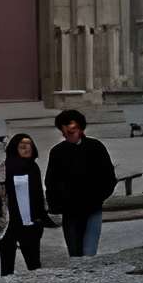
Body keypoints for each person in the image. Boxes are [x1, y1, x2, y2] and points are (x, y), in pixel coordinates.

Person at [44, 108, 118, 258]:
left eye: (71, 132)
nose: (68, 136)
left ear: (80, 128)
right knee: (75, 253)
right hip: (70, 212)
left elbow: (109, 177)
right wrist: (56, 205)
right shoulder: (57, 152)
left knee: (89, 253)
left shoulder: (95, 147)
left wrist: (98, 197)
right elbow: (51, 182)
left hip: (92, 209)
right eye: (64, 133)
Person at [0, 133, 51, 275]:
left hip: (30, 224)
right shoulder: (5, 168)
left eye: (30, 145)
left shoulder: (33, 168)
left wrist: (41, 219)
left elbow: (39, 196)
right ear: (15, 148)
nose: (27, 149)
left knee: (34, 266)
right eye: (22, 146)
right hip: (9, 224)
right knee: (7, 268)